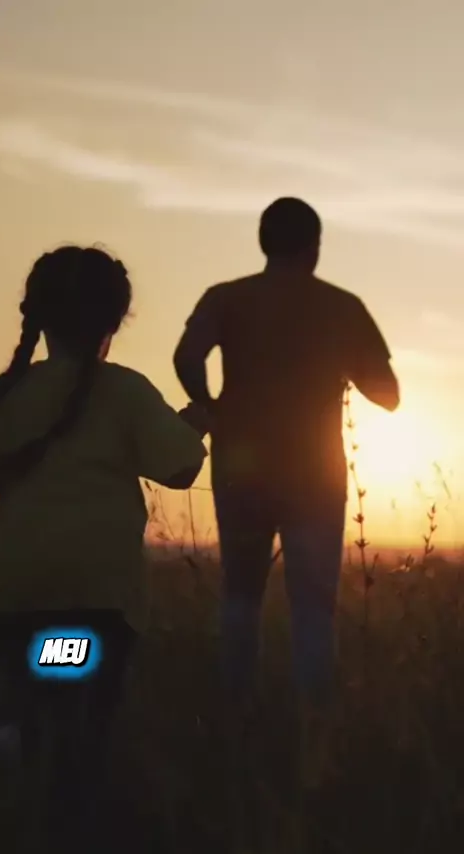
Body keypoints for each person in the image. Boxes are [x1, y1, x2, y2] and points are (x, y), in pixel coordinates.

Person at [0, 245, 207, 850]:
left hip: (17, 598)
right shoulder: (126, 393)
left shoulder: (3, 395)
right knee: (78, 736)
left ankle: (22, 783)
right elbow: (182, 468)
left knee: (38, 715)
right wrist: (194, 425)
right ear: (113, 322)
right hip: (94, 604)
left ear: (38, 316)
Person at [173, 197, 400, 790]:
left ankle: (233, 721)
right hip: (315, 473)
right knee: (313, 607)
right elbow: (388, 393)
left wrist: (211, 406)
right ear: (315, 247)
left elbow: (185, 356)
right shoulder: (342, 306)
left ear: (262, 241)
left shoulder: (226, 297)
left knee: (240, 594)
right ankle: (313, 734)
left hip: (241, 465)